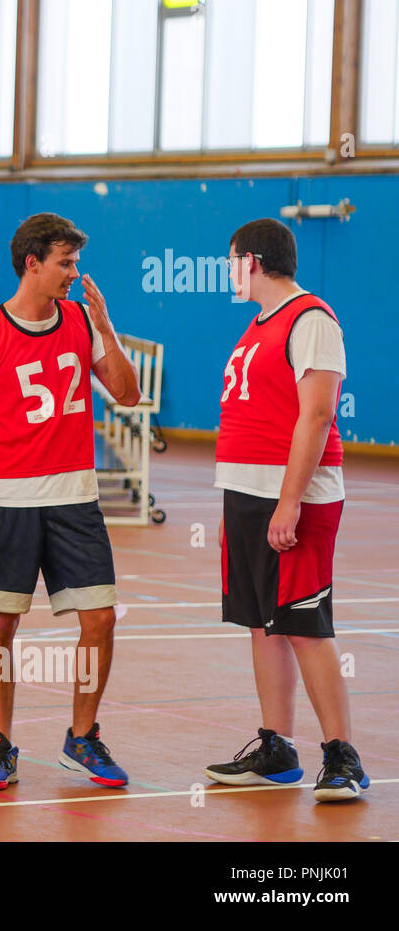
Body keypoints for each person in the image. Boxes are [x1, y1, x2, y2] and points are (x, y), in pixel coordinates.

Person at [0, 212, 141, 791]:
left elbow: (129, 396)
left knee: (101, 618)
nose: (74, 273)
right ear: (32, 262)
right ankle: (0, 744)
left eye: (75, 262)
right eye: (65, 262)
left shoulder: (82, 323)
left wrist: (106, 328)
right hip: (7, 502)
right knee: (2, 626)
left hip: (74, 498)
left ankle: (82, 738)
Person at [205, 218, 365, 802]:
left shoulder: (311, 319)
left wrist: (289, 502)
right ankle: (276, 747)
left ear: (250, 261)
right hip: (245, 494)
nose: (228, 272)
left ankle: (341, 756)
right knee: (262, 623)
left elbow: (317, 415)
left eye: (230, 261)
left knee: (302, 626)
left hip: (294, 499)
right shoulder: (258, 325)